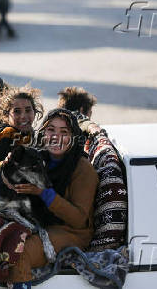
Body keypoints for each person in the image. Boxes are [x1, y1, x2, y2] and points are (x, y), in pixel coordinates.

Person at [5, 108, 98, 287]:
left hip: (70, 231)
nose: (56, 137)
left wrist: (42, 192)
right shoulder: (36, 157)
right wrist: (7, 163)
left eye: (64, 132)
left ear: (73, 137)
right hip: (38, 222)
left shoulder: (82, 169)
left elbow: (78, 220)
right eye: (51, 130)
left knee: (18, 252)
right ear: (42, 133)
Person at [57, 86, 127, 251]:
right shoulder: (75, 117)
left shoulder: (55, 123)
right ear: (83, 109)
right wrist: (96, 131)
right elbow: (85, 122)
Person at [0, 85, 44, 174]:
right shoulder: (7, 135)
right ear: (6, 115)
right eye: (17, 111)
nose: (23, 116)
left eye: (28, 110)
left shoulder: (30, 134)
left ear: (35, 112)